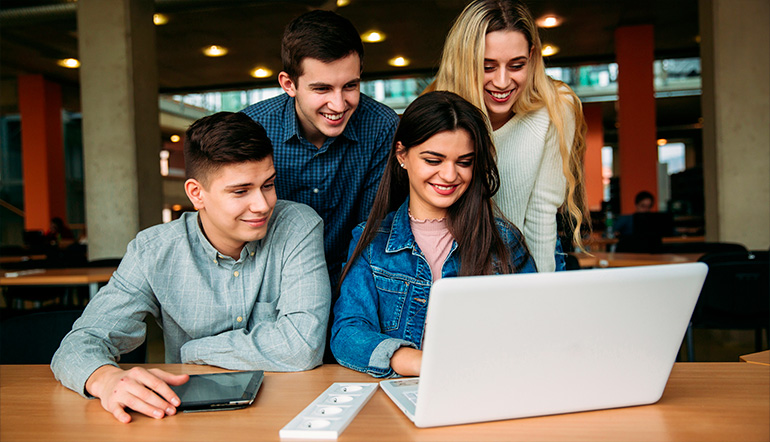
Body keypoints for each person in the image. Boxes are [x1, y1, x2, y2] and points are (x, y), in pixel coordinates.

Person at [51, 112, 331, 423]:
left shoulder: (297, 226)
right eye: (241, 191)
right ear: (196, 194)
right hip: (186, 418)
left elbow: (302, 346)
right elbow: (79, 344)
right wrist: (105, 379)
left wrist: (194, 350)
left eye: (268, 184)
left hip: (286, 409)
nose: (263, 204)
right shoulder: (154, 250)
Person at [330, 91, 537, 378]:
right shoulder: (371, 240)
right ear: (402, 155)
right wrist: (419, 362)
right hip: (404, 392)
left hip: (488, 387)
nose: (450, 175)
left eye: (464, 162)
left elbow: (534, 329)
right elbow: (347, 334)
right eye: (433, 160)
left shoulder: (504, 241)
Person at [425, 0, 589, 272]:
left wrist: (539, 295)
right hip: (458, 261)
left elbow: (541, 215)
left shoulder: (556, 107)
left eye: (516, 65)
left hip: (532, 259)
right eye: (487, 66)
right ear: (465, 61)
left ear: (533, 56)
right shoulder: (441, 109)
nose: (502, 82)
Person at [241, 10, 399, 284]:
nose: (339, 105)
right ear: (289, 84)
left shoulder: (383, 126)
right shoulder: (252, 127)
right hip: (268, 284)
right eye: (322, 89)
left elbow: (371, 231)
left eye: (350, 86)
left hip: (351, 281)